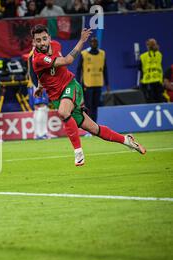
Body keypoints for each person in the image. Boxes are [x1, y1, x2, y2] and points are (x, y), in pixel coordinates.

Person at [31, 24, 146, 166]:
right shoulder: (38, 59)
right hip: (56, 97)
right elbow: (62, 63)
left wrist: (41, 85)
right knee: (94, 129)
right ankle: (126, 140)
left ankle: (78, 153)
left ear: (49, 38)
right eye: (38, 40)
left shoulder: (56, 45)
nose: (42, 43)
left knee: (63, 112)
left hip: (70, 85)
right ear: (33, 42)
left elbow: (62, 64)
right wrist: (40, 86)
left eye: (44, 39)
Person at [76, 36, 110, 122]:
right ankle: (88, 124)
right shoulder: (84, 54)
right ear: (89, 43)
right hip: (87, 84)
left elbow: (105, 69)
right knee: (88, 105)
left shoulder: (102, 53)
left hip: (98, 83)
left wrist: (107, 84)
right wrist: (77, 82)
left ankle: (94, 124)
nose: (94, 43)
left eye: (95, 42)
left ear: (98, 44)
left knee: (95, 105)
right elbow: (79, 69)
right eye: (92, 42)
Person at [27, 49, 50, 139]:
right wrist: (37, 86)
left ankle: (38, 133)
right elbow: (33, 71)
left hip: (36, 83)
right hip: (37, 83)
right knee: (41, 107)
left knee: (40, 109)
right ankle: (41, 133)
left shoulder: (34, 53)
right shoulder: (34, 54)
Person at [139, 38, 165, 103]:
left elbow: (140, 68)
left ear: (147, 46)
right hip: (158, 82)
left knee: (150, 102)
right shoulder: (159, 54)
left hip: (147, 82)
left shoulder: (143, 56)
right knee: (160, 100)